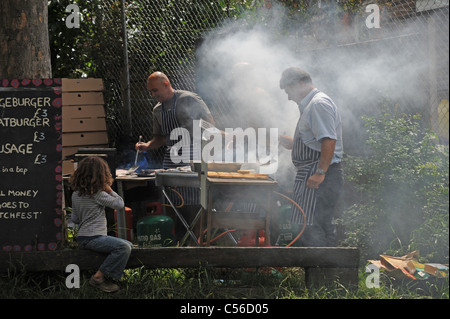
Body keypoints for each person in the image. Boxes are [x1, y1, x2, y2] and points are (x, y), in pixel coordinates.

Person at [137, 71, 215, 242]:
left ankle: (198, 241)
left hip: (194, 155)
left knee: (195, 199)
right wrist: (147, 146)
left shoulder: (189, 99)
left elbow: (210, 124)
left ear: (166, 84)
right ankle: (179, 240)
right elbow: (159, 138)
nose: (153, 95)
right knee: (172, 201)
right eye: (151, 92)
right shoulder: (157, 110)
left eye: (155, 90)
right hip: (171, 159)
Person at [279, 67, 344, 247]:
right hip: (312, 174)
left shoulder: (318, 104)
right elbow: (316, 141)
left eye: (288, 91)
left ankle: (323, 270)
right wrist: (294, 143)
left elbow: (329, 140)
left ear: (300, 83)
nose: (288, 97)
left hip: (320, 176)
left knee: (315, 226)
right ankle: (322, 269)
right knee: (312, 224)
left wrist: (320, 172)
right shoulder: (310, 105)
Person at [70, 156, 133, 292]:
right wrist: (109, 189)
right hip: (94, 238)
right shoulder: (97, 194)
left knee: (129, 245)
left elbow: (74, 219)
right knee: (123, 248)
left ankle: (109, 276)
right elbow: (119, 204)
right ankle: (98, 278)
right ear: (100, 176)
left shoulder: (75, 194)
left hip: (83, 238)